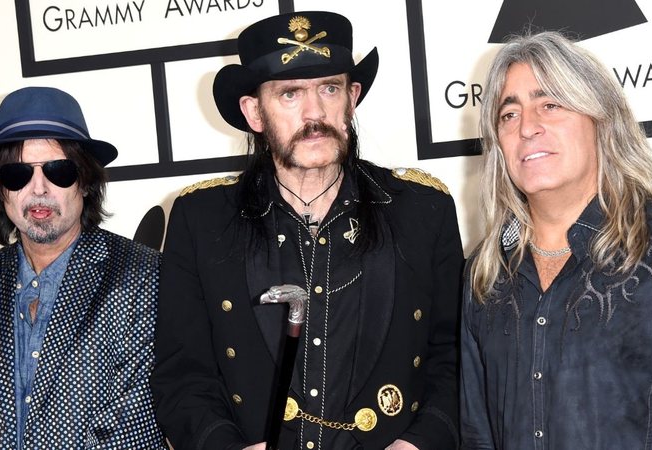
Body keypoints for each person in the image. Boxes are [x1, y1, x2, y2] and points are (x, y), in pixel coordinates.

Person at [150, 10, 463, 450]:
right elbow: (183, 374)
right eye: (290, 94)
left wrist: (421, 442)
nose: (315, 113)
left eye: (329, 88)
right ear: (253, 111)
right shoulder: (201, 220)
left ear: (351, 98)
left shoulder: (422, 210)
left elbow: (455, 356)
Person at [460, 30, 652, 449]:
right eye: (508, 114)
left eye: (550, 104)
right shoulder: (485, 273)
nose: (528, 128)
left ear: (601, 118)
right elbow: (477, 437)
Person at [0, 86, 167, 449]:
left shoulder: (143, 277)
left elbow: (127, 431)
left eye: (58, 171)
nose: (38, 188)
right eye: (17, 174)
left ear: (86, 181)